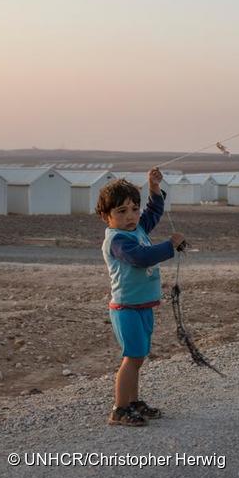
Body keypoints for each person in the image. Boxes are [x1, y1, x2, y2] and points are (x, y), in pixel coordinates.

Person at [96, 167, 184, 426]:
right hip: (126, 308)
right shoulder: (118, 240)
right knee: (132, 358)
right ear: (106, 216)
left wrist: (154, 188)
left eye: (134, 209)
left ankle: (133, 403)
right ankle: (119, 409)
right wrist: (170, 246)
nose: (131, 216)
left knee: (138, 356)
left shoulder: (136, 229)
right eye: (121, 211)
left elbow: (154, 212)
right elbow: (140, 257)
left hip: (143, 306)